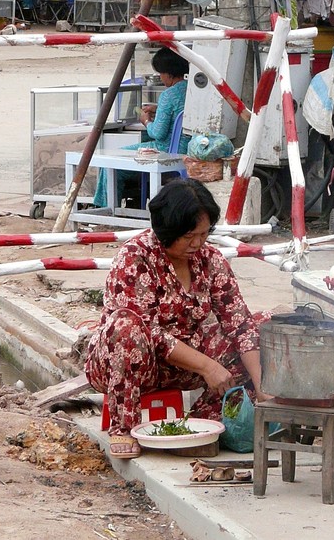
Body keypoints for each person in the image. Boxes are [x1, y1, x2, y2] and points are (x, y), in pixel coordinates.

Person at [83, 179, 268, 459]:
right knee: (126, 325)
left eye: (203, 234)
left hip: (184, 362)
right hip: (128, 363)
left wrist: (262, 385)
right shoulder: (135, 257)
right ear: (167, 231)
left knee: (264, 325)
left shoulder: (210, 260)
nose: (197, 243)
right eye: (188, 236)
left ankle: (204, 423)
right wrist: (208, 366)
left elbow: (239, 322)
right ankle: (124, 426)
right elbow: (149, 332)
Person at [93, 47, 190, 208]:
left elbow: (157, 133)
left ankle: (104, 207)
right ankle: (132, 199)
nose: (160, 77)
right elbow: (179, 114)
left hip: (165, 149)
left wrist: (146, 120)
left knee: (112, 161)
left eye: (160, 73)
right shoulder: (191, 90)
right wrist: (158, 109)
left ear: (169, 74)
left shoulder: (168, 95)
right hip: (186, 148)